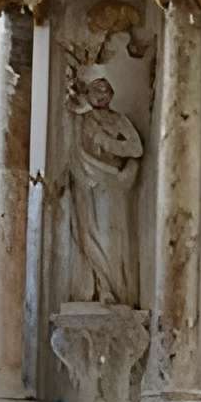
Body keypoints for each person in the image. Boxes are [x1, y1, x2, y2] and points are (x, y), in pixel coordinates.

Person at [64, 71, 144, 307]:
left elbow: (136, 149)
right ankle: (102, 288)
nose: (101, 94)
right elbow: (77, 152)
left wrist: (107, 143)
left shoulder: (119, 120)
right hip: (90, 182)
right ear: (87, 94)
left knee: (113, 237)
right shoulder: (83, 120)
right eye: (96, 89)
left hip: (115, 185)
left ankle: (119, 291)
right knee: (90, 234)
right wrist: (100, 170)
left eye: (106, 89)